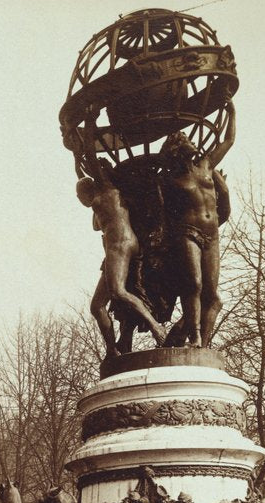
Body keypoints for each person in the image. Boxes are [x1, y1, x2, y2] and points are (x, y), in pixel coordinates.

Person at [74, 114, 167, 356]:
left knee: (118, 292)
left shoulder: (103, 191)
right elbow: (82, 168)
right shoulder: (105, 195)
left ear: (89, 189)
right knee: (97, 306)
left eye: (79, 195)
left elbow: (90, 161)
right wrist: (76, 152)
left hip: (120, 246)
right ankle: (113, 351)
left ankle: (156, 328)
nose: (79, 199)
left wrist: (89, 123)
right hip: (121, 246)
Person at [159, 101, 235, 347]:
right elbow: (164, 214)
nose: (189, 139)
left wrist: (231, 112)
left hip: (211, 235)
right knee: (193, 284)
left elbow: (228, 141)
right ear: (176, 150)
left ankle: (202, 347)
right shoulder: (170, 180)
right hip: (187, 233)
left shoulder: (206, 165)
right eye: (182, 139)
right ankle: (195, 336)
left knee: (212, 296)